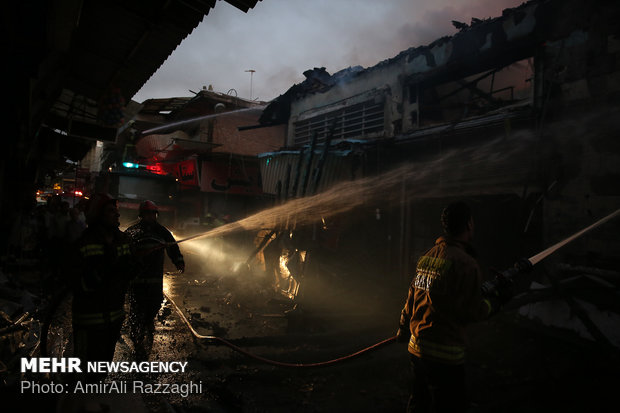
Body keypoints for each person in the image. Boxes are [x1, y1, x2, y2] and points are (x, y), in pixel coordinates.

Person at [396, 201, 513, 413]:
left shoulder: (428, 257)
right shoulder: (466, 264)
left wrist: (403, 328)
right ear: (469, 224)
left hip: (417, 349)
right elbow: (471, 311)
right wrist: (497, 302)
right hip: (445, 356)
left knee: (419, 404)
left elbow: (412, 297)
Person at [71, 193, 135, 380]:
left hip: (113, 317)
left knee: (102, 368)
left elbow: (130, 270)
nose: (117, 215)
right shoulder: (85, 242)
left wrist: (135, 263)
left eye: (117, 211)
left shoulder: (123, 240)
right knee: (85, 369)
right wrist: (102, 273)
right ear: (98, 216)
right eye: (110, 211)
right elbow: (74, 278)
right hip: (88, 318)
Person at [125, 200, 185, 360]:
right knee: (136, 307)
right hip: (137, 278)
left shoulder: (162, 232)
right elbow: (124, 252)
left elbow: (173, 247)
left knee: (155, 302)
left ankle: (147, 322)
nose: (150, 216)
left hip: (154, 278)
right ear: (141, 215)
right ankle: (136, 337)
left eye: (153, 213)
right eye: (147, 213)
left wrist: (178, 260)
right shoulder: (133, 231)